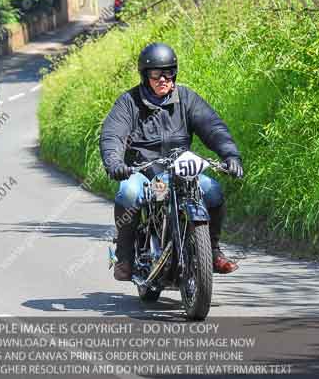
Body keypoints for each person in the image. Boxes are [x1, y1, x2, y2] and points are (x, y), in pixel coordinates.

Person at [99, 42, 244, 281]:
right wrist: (114, 162)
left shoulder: (186, 98)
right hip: (143, 172)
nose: (163, 79)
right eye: (156, 74)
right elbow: (112, 134)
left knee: (214, 191)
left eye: (168, 72)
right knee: (128, 192)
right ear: (145, 76)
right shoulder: (129, 102)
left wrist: (230, 155)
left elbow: (213, 127)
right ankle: (124, 256)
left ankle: (213, 250)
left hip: (179, 171)